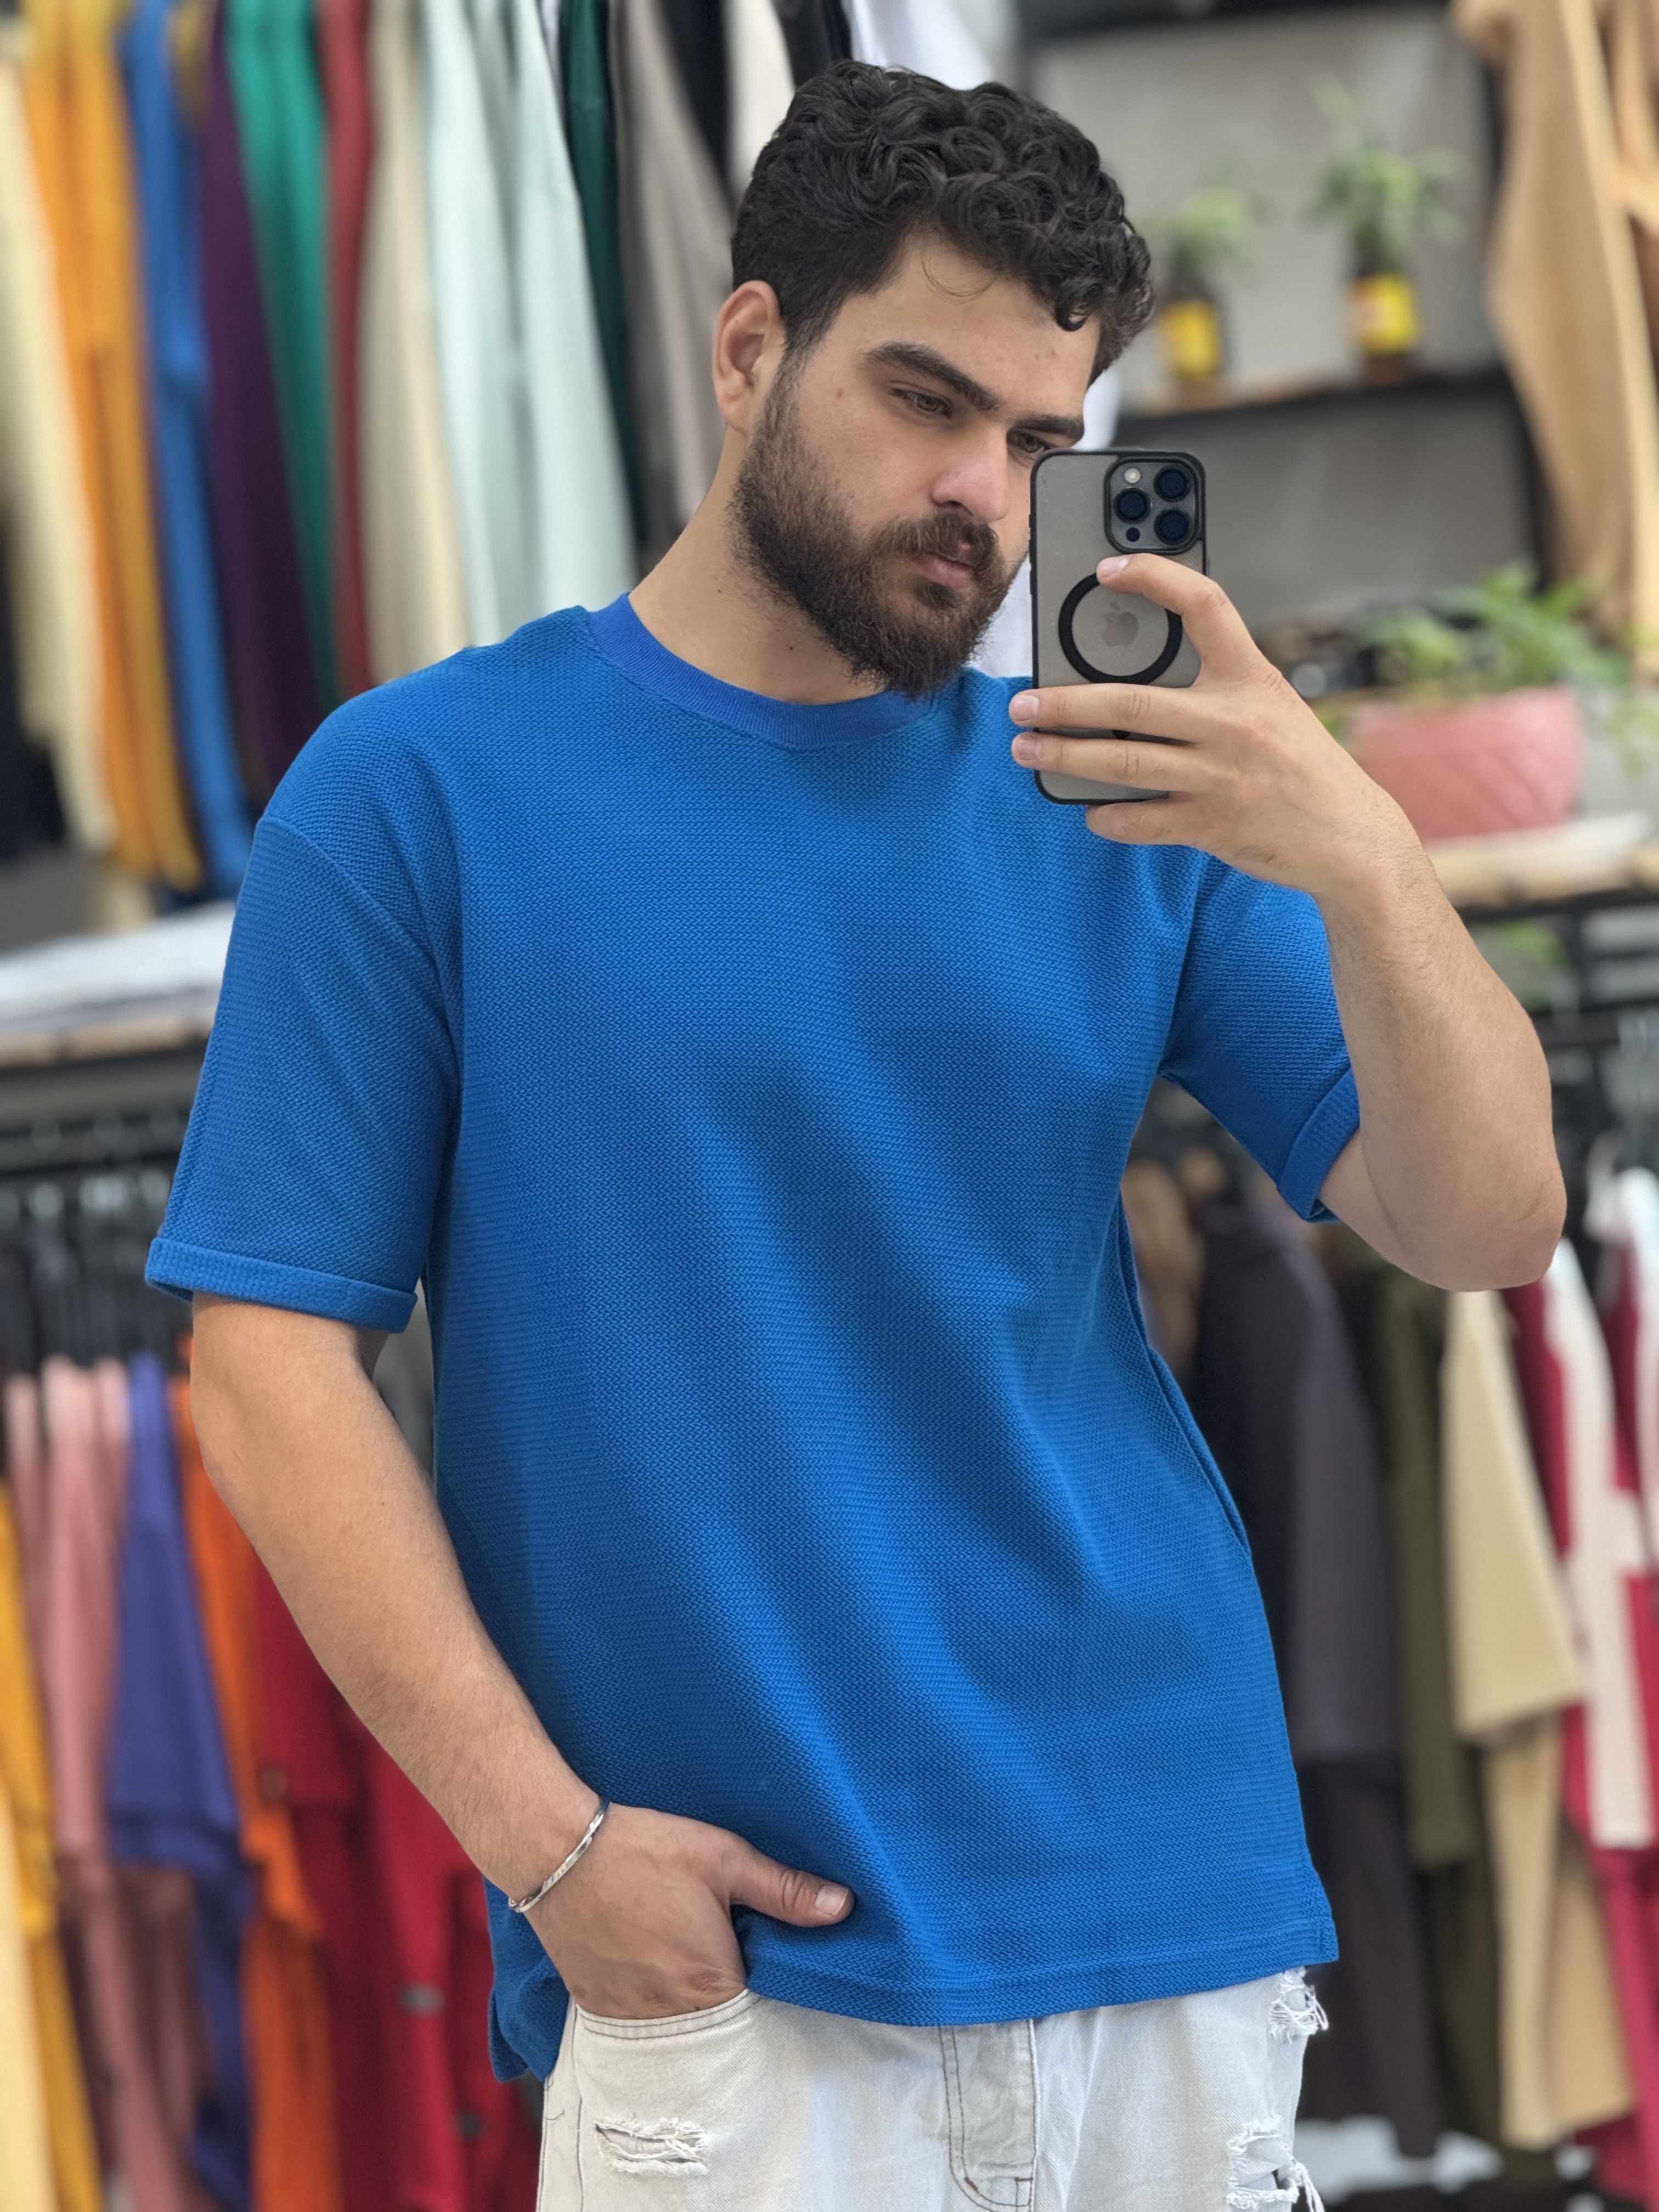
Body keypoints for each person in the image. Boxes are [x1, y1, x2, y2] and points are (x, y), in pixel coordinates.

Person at [148, 62, 1563, 2211]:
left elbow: (1485, 1222)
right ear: (748, 348)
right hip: (732, 1980)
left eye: (1042, 443)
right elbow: (265, 1367)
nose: (982, 495)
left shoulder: (1116, 787)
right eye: (925, 400)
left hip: (1159, 1917)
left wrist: (1361, 850)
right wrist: (553, 1853)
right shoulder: (416, 792)